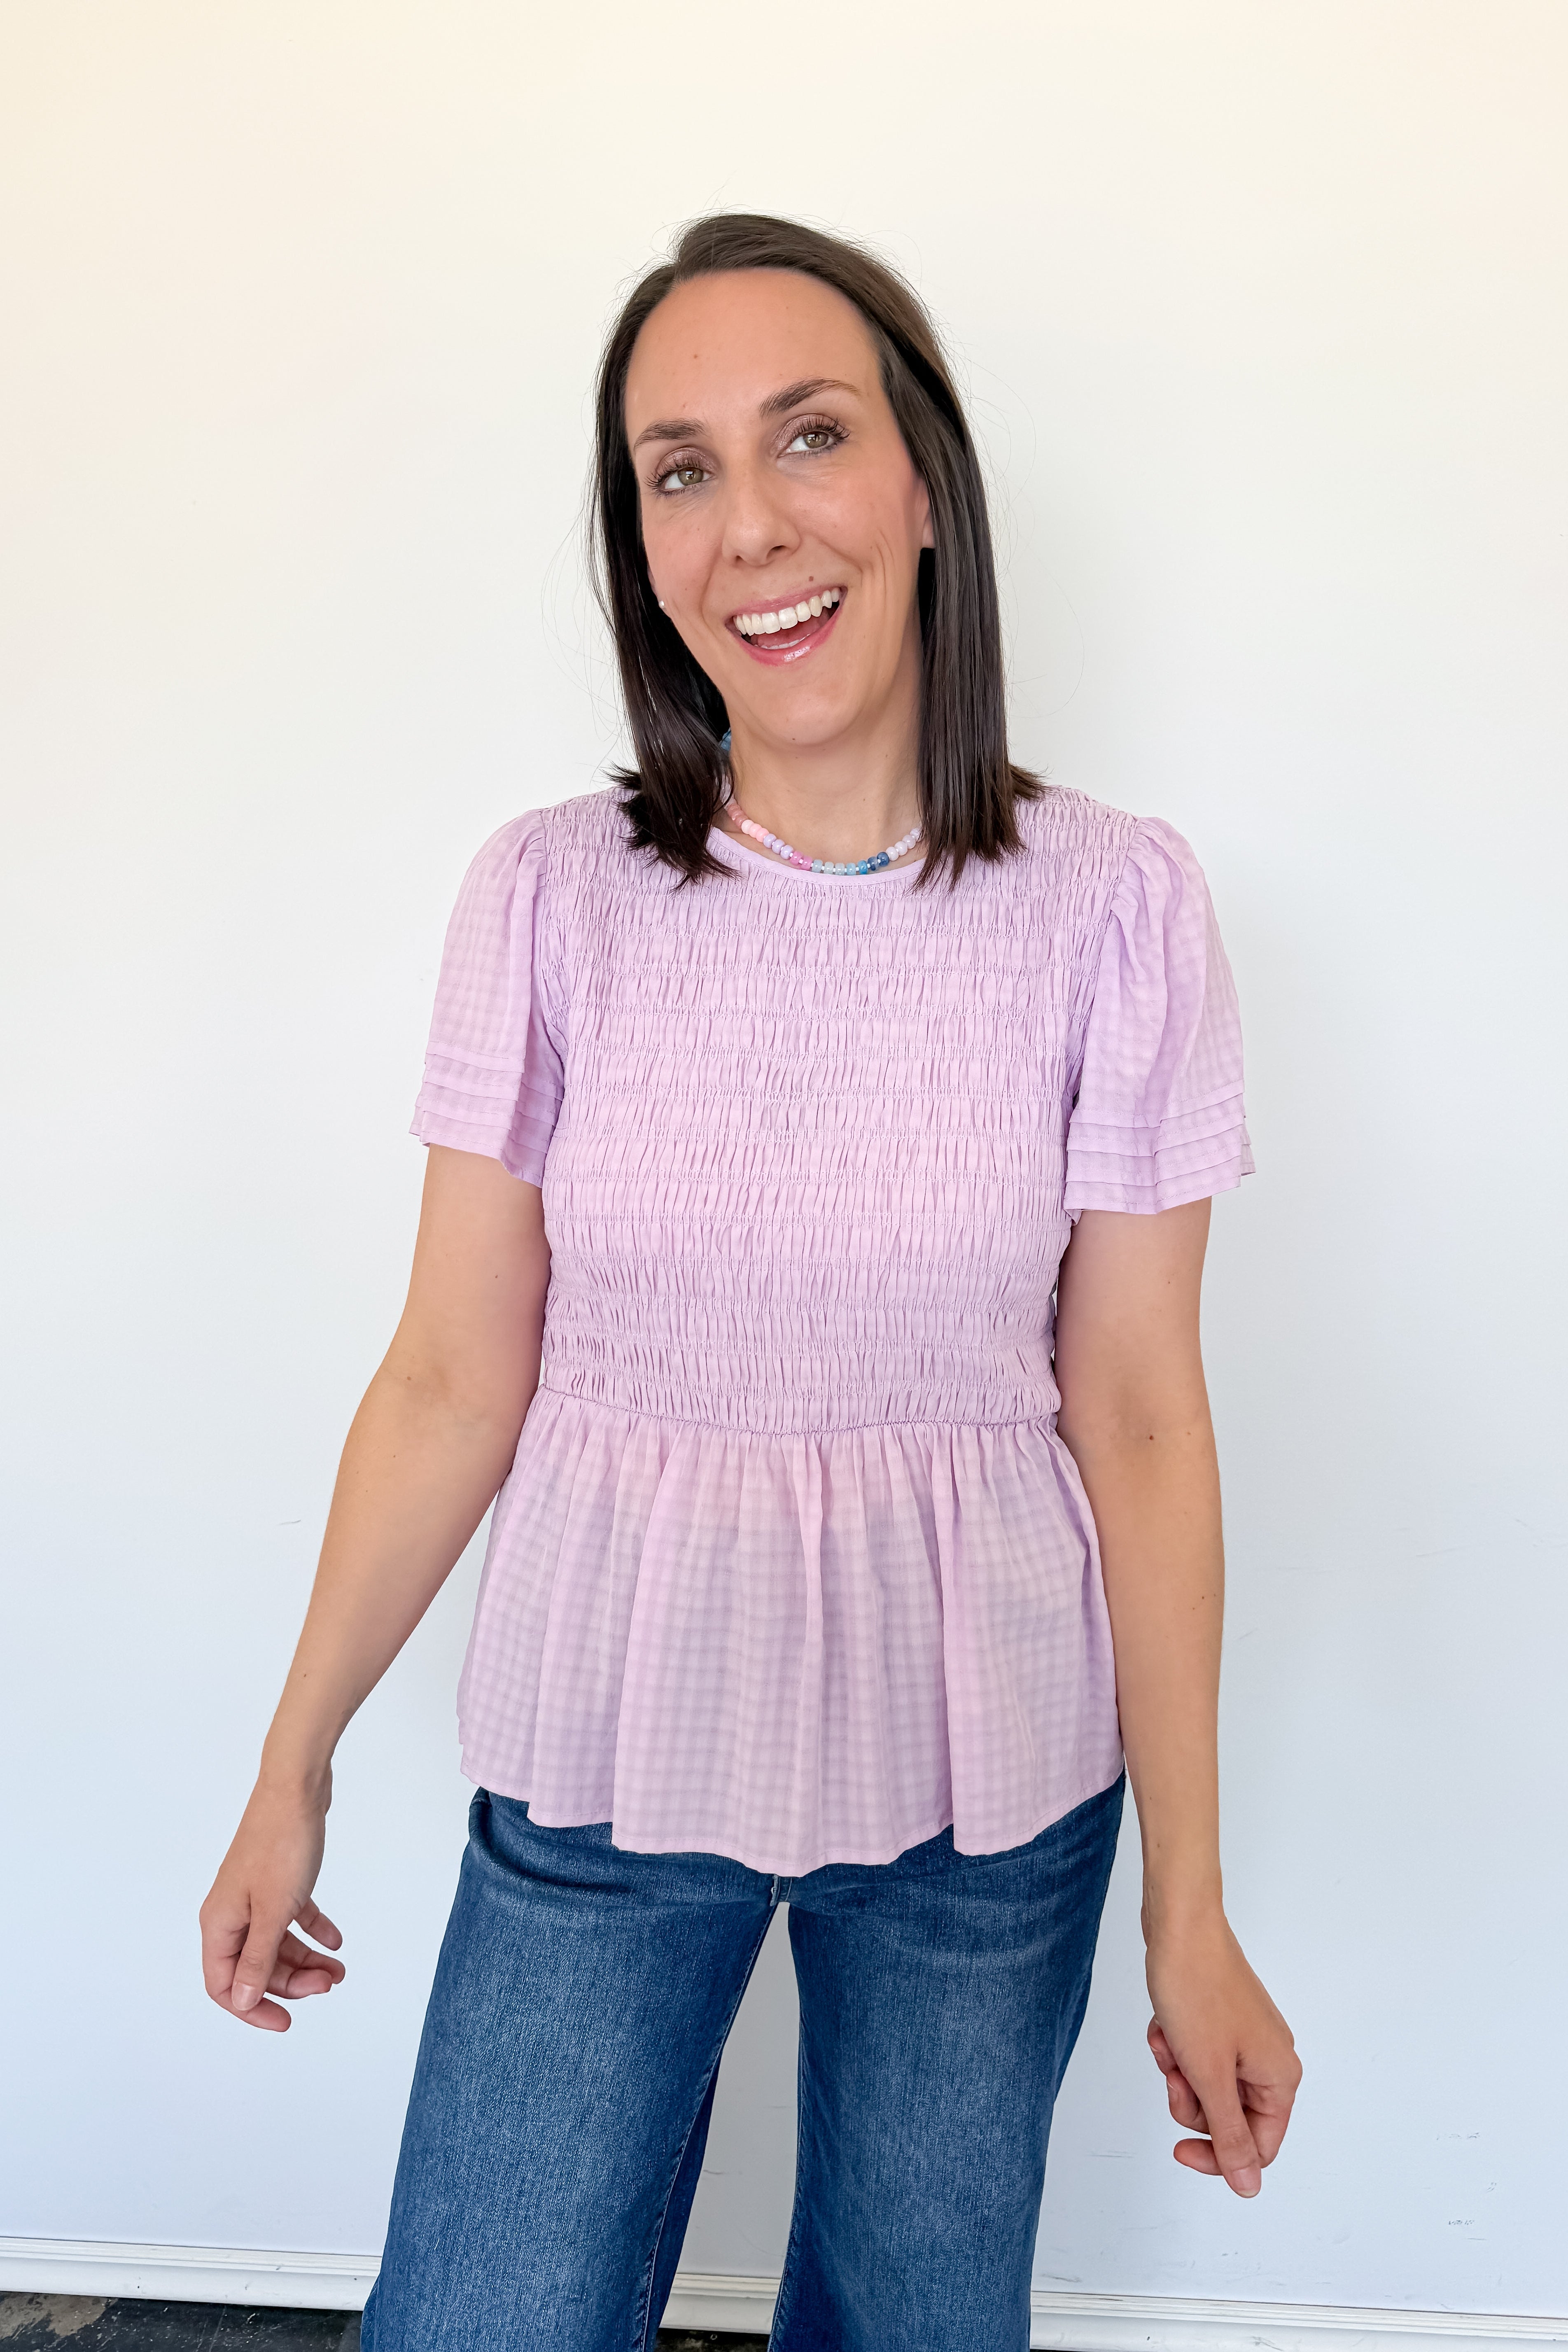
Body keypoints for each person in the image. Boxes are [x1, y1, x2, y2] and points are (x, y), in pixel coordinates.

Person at [199, 212, 1301, 2352]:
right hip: (612, 1728)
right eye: (677, 468)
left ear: (922, 485)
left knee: (916, 2325)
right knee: (485, 2322)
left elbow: (1144, 1412)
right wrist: (292, 1756)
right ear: (640, 542)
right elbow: (449, 1374)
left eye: (809, 436)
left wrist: (1195, 1905)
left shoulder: (1118, 911)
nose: (750, 523)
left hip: (990, 1773)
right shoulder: (548, 899)